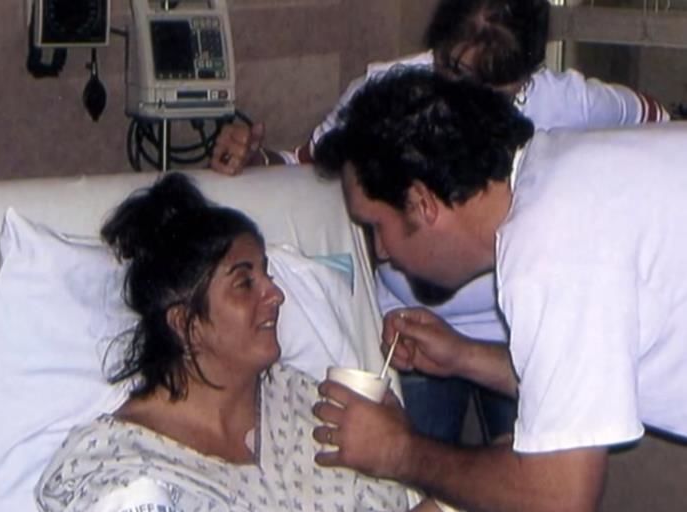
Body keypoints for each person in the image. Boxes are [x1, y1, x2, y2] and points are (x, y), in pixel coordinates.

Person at [210, 0, 671, 445]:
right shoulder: (387, 95)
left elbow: (653, 117)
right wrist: (257, 159)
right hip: (413, 325)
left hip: (514, 333)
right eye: (456, 75)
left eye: (497, 91)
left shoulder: (564, 121)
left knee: (515, 464)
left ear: (528, 74)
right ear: (437, 50)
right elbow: (311, 161)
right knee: (419, 462)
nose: (471, 107)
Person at [309, 65, 687, 512]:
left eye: (376, 226)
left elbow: (562, 497)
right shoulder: (558, 170)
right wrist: (464, 357)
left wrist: (399, 451)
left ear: (422, 203)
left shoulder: (545, 246)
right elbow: (584, 378)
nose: (381, 252)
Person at [34, 172, 458, 512]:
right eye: (244, 283)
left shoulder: (313, 408)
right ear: (186, 324)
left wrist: (456, 481)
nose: (275, 294)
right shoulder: (115, 464)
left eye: (267, 275)